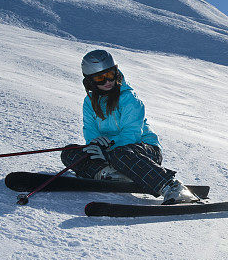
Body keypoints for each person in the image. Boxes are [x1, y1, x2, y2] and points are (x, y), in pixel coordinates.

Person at [61, 49, 199, 204]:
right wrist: (94, 146)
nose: (108, 81)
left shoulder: (129, 99)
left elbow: (131, 135)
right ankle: (113, 175)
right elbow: (91, 132)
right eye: (100, 78)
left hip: (143, 151)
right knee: (69, 152)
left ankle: (172, 187)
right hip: (111, 154)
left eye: (111, 75)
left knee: (120, 153)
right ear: (90, 81)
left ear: (116, 72)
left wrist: (107, 151)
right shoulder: (89, 102)